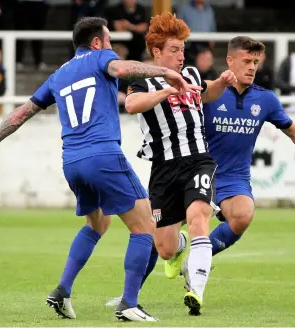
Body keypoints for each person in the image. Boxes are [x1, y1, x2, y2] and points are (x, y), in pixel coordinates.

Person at [0, 17, 201, 323]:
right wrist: (167, 72)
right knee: (145, 226)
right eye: (107, 41)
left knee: (97, 224)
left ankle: (62, 291)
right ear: (96, 43)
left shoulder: (58, 75)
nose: (110, 48)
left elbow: (23, 112)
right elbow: (122, 69)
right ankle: (129, 304)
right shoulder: (101, 58)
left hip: (72, 161)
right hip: (103, 155)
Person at [105, 12, 237, 316]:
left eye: (182, 50)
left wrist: (222, 82)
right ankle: (178, 248)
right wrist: (166, 90)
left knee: (199, 219)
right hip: (164, 169)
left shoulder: (190, 73)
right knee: (163, 246)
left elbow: (207, 94)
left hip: (198, 161)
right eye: (174, 50)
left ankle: (196, 291)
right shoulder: (144, 80)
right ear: (157, 52)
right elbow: (130, 104)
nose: (181, 56)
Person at [186, 36, 295, 285]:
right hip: (198, 171)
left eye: (256, 62)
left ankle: (197, 259)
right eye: (247, 60)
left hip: (234, 177)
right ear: (229, 60)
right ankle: (133, 292)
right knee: (164, 237)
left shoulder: (265, 99)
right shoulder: (210, 91)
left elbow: (294, 131)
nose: (252, 67)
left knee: (243, 216)